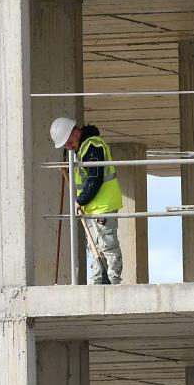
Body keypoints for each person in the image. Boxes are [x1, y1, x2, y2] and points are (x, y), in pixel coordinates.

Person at [50, 116, 124, 285]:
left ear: (75, 132)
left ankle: (113, 282)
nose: (68, 147)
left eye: (68, 142)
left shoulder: (92, 146)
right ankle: (99, 282)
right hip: (92, 207)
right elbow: (84, 177)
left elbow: (95, 178)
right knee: (95, 248)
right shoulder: (82, 148)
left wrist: (80, 201)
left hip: (102, 206)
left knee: (108, 246)